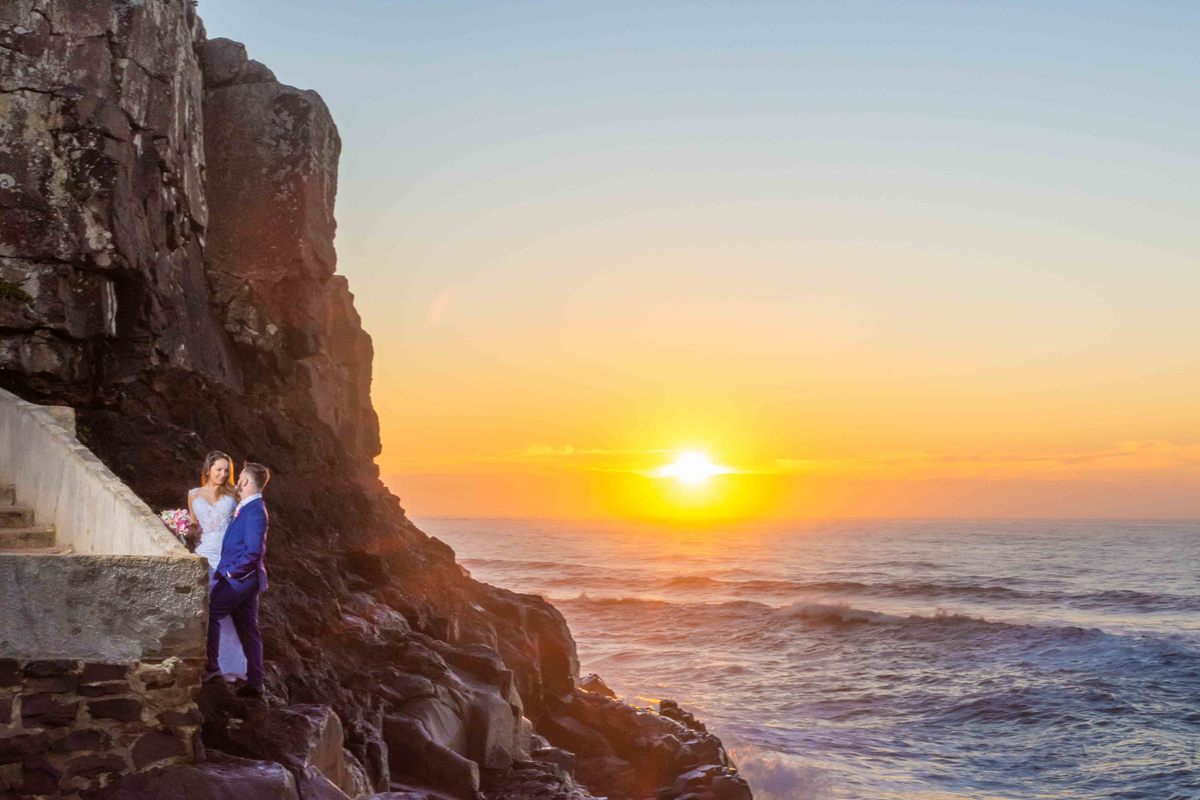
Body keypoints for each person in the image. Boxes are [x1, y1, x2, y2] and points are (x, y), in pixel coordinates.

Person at [205, 461, 271, 699]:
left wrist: (232, 573)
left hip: (240, 581)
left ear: (245, 481)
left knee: (211, 613)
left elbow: (254, 551)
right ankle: (256, 682)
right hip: (246, 580)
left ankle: (211, 668)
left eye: (239, 476)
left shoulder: (254, 510)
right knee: (249, 629)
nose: (235, 480)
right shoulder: (248, 507)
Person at [188, 451, 247, 681]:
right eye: (218, 469)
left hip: (227, 557)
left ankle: (230, 666)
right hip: (204, 556)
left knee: (225, 613)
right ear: (208, 469)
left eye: (226, 470)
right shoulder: (193, 495)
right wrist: (184, 528)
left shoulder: (233, 494)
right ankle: (207, 661)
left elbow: (243, 524)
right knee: (204, 610)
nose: (222, 474)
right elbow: (194, 526)